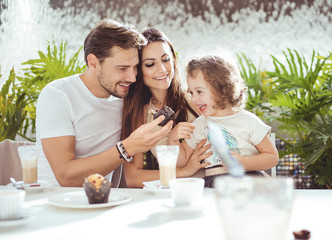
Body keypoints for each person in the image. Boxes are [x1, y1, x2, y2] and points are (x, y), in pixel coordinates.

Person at [36, 19, 174, 187]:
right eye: (122, 68)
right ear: (93, 63)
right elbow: (65, 176)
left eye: (135, 67)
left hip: (102, 201)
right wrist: (127, 148)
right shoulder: (58, 95)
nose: (132, 77)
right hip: (53, 200)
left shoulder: (126, 98)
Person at [121, 27, 211, 188]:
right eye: (150, 64)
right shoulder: (138, 113)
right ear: (138, 70)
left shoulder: (194, 99)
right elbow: (133, 177)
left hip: (210, 186)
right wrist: (185, 171)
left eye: (166, 59)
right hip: (171, 191)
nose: (162, 70)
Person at [179, 54, 279, 187]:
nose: (193, 99)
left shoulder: (248, 121)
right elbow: (182, 160)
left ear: (222, 88)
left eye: (199, 91)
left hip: (249, 180)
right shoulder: (200, 124)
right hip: (215, 184)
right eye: (191, 92)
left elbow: (272, 157)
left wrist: (244, 162)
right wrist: (173, 139)